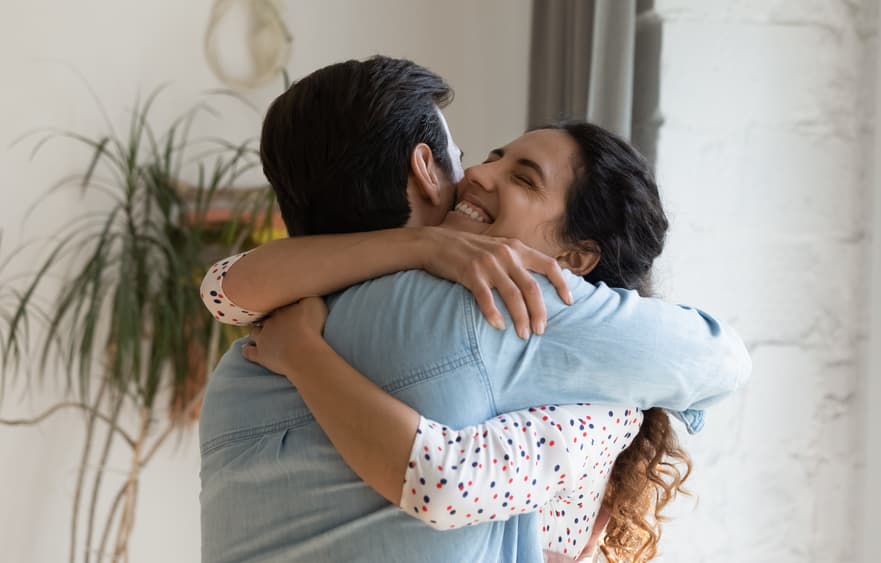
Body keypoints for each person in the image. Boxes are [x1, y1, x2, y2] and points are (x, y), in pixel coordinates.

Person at [199, 57, 750, 563]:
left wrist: (303, 351)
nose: (477, 176)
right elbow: (721, 360)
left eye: (522, 177)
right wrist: (421, 247)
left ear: (578, 258)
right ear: (424, 168)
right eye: (482, 158)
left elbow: (220, 289)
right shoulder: (493, 308)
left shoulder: (247, 357)